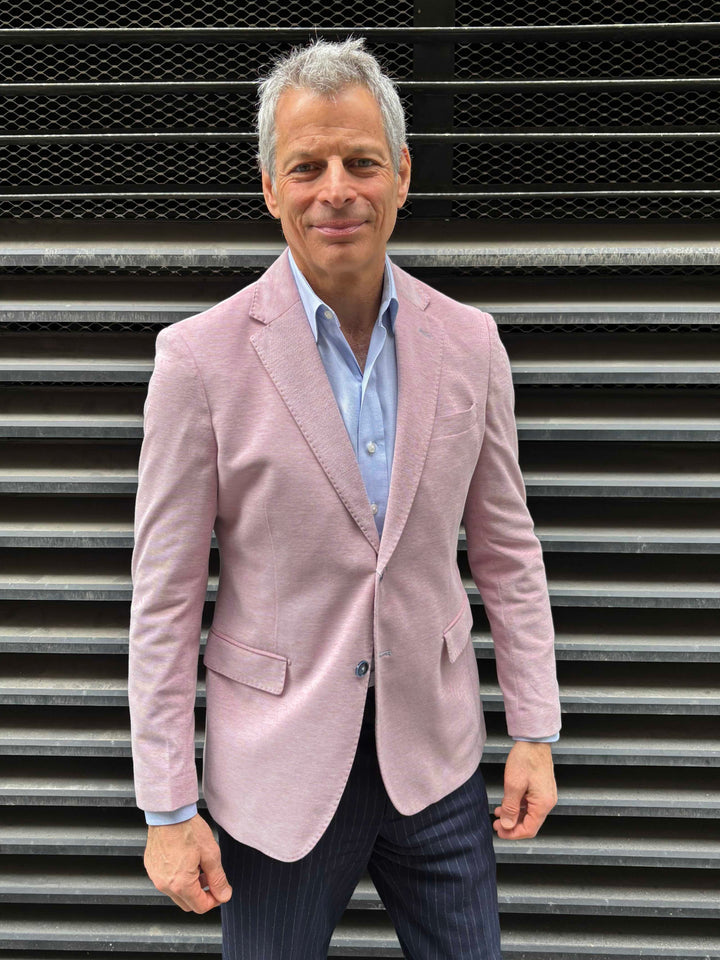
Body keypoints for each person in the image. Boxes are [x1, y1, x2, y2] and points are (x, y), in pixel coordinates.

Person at [128, 38, 560, 960]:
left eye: (362, 162)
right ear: (268, 187)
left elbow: (507, 551)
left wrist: (535, 729)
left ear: (402, 175)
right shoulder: (198, 361)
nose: (337, 190)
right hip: (275, 780)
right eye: (307, 167)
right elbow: (164, 601)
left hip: (436, 766)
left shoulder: (472, 343)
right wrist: (167, 807)